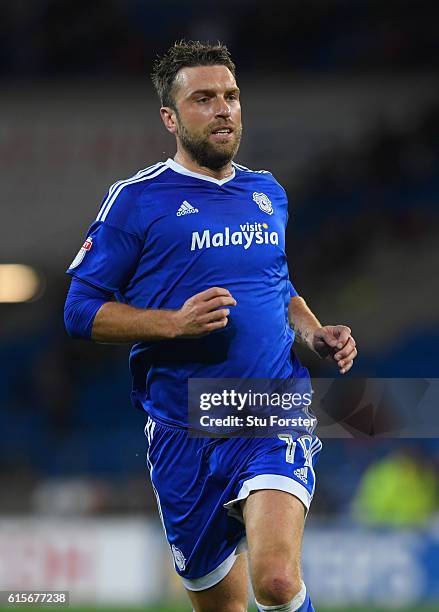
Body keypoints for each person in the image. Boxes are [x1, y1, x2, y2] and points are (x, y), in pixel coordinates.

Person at [64, 41, 357, 612]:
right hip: (182, 429)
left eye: (231, 96)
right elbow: (79, 310)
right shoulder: (135, 202)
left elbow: (277, 287)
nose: (223, 109)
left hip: (271, 409)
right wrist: (173, 324)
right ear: (170, 118)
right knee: (223, 606)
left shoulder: (267, 193)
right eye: (204, 99)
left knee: (273, 579)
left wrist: (314, 332)